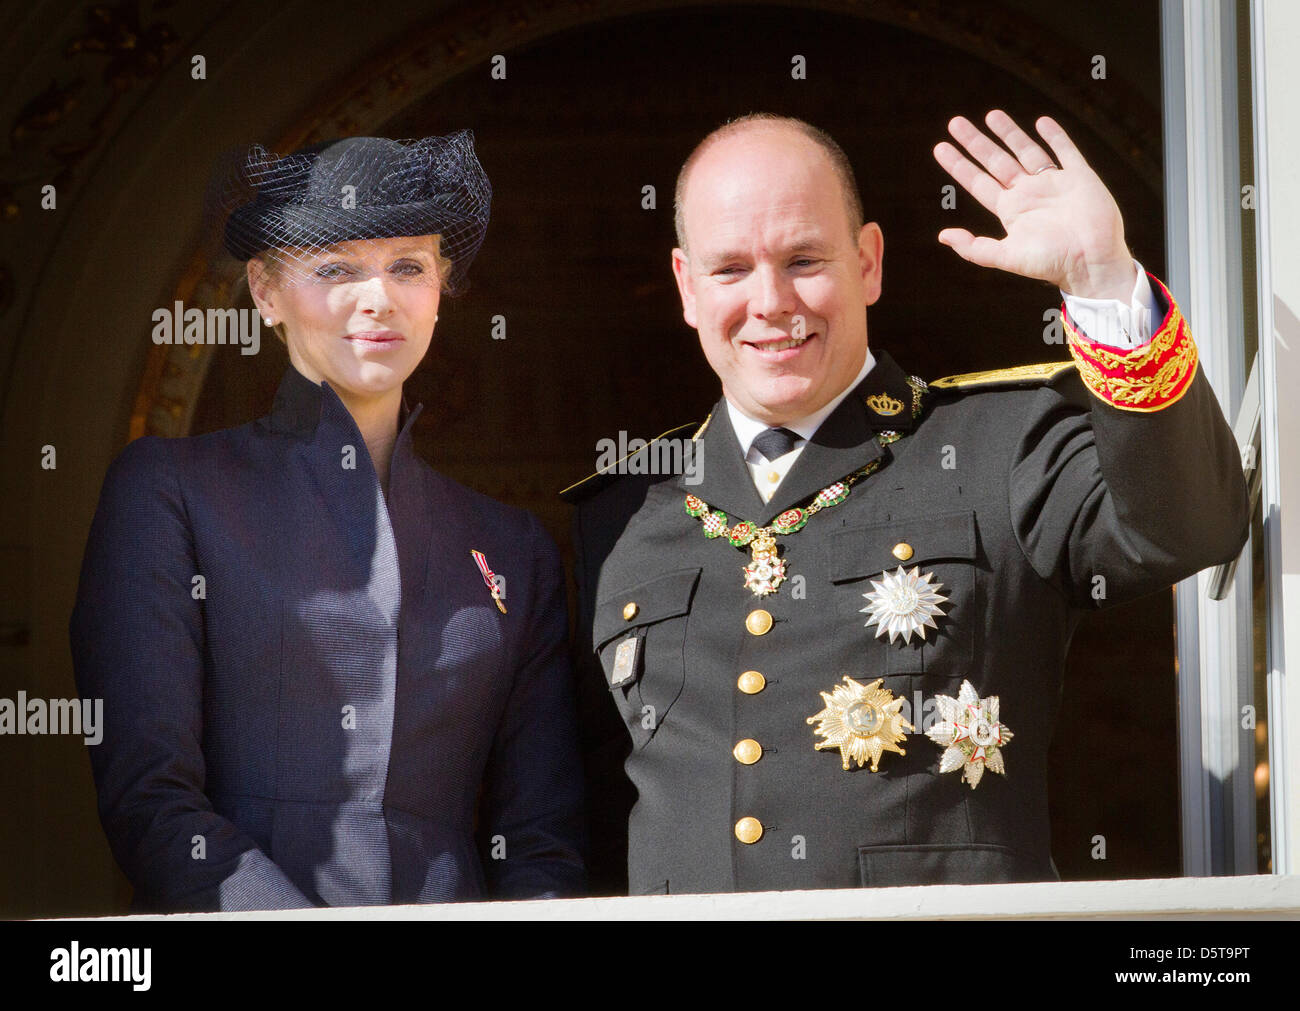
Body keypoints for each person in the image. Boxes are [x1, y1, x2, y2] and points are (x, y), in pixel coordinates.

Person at [565, 111, 1250, 895]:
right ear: (687, 287)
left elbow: (1187, 529)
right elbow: (586, 811)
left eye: (804, 258)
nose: (771, 300)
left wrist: (1103, 282)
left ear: (869, 264)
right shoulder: (623, 518)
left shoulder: (1001, 445)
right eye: (730, 271)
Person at [71, 133, 584, 911]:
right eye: (337, 267)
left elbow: (543, 840)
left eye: (408, 265)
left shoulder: (514, 546)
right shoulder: (169, 491)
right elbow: (150, 798)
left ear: (441, 287)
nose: (377, 297)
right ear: (267, 291)